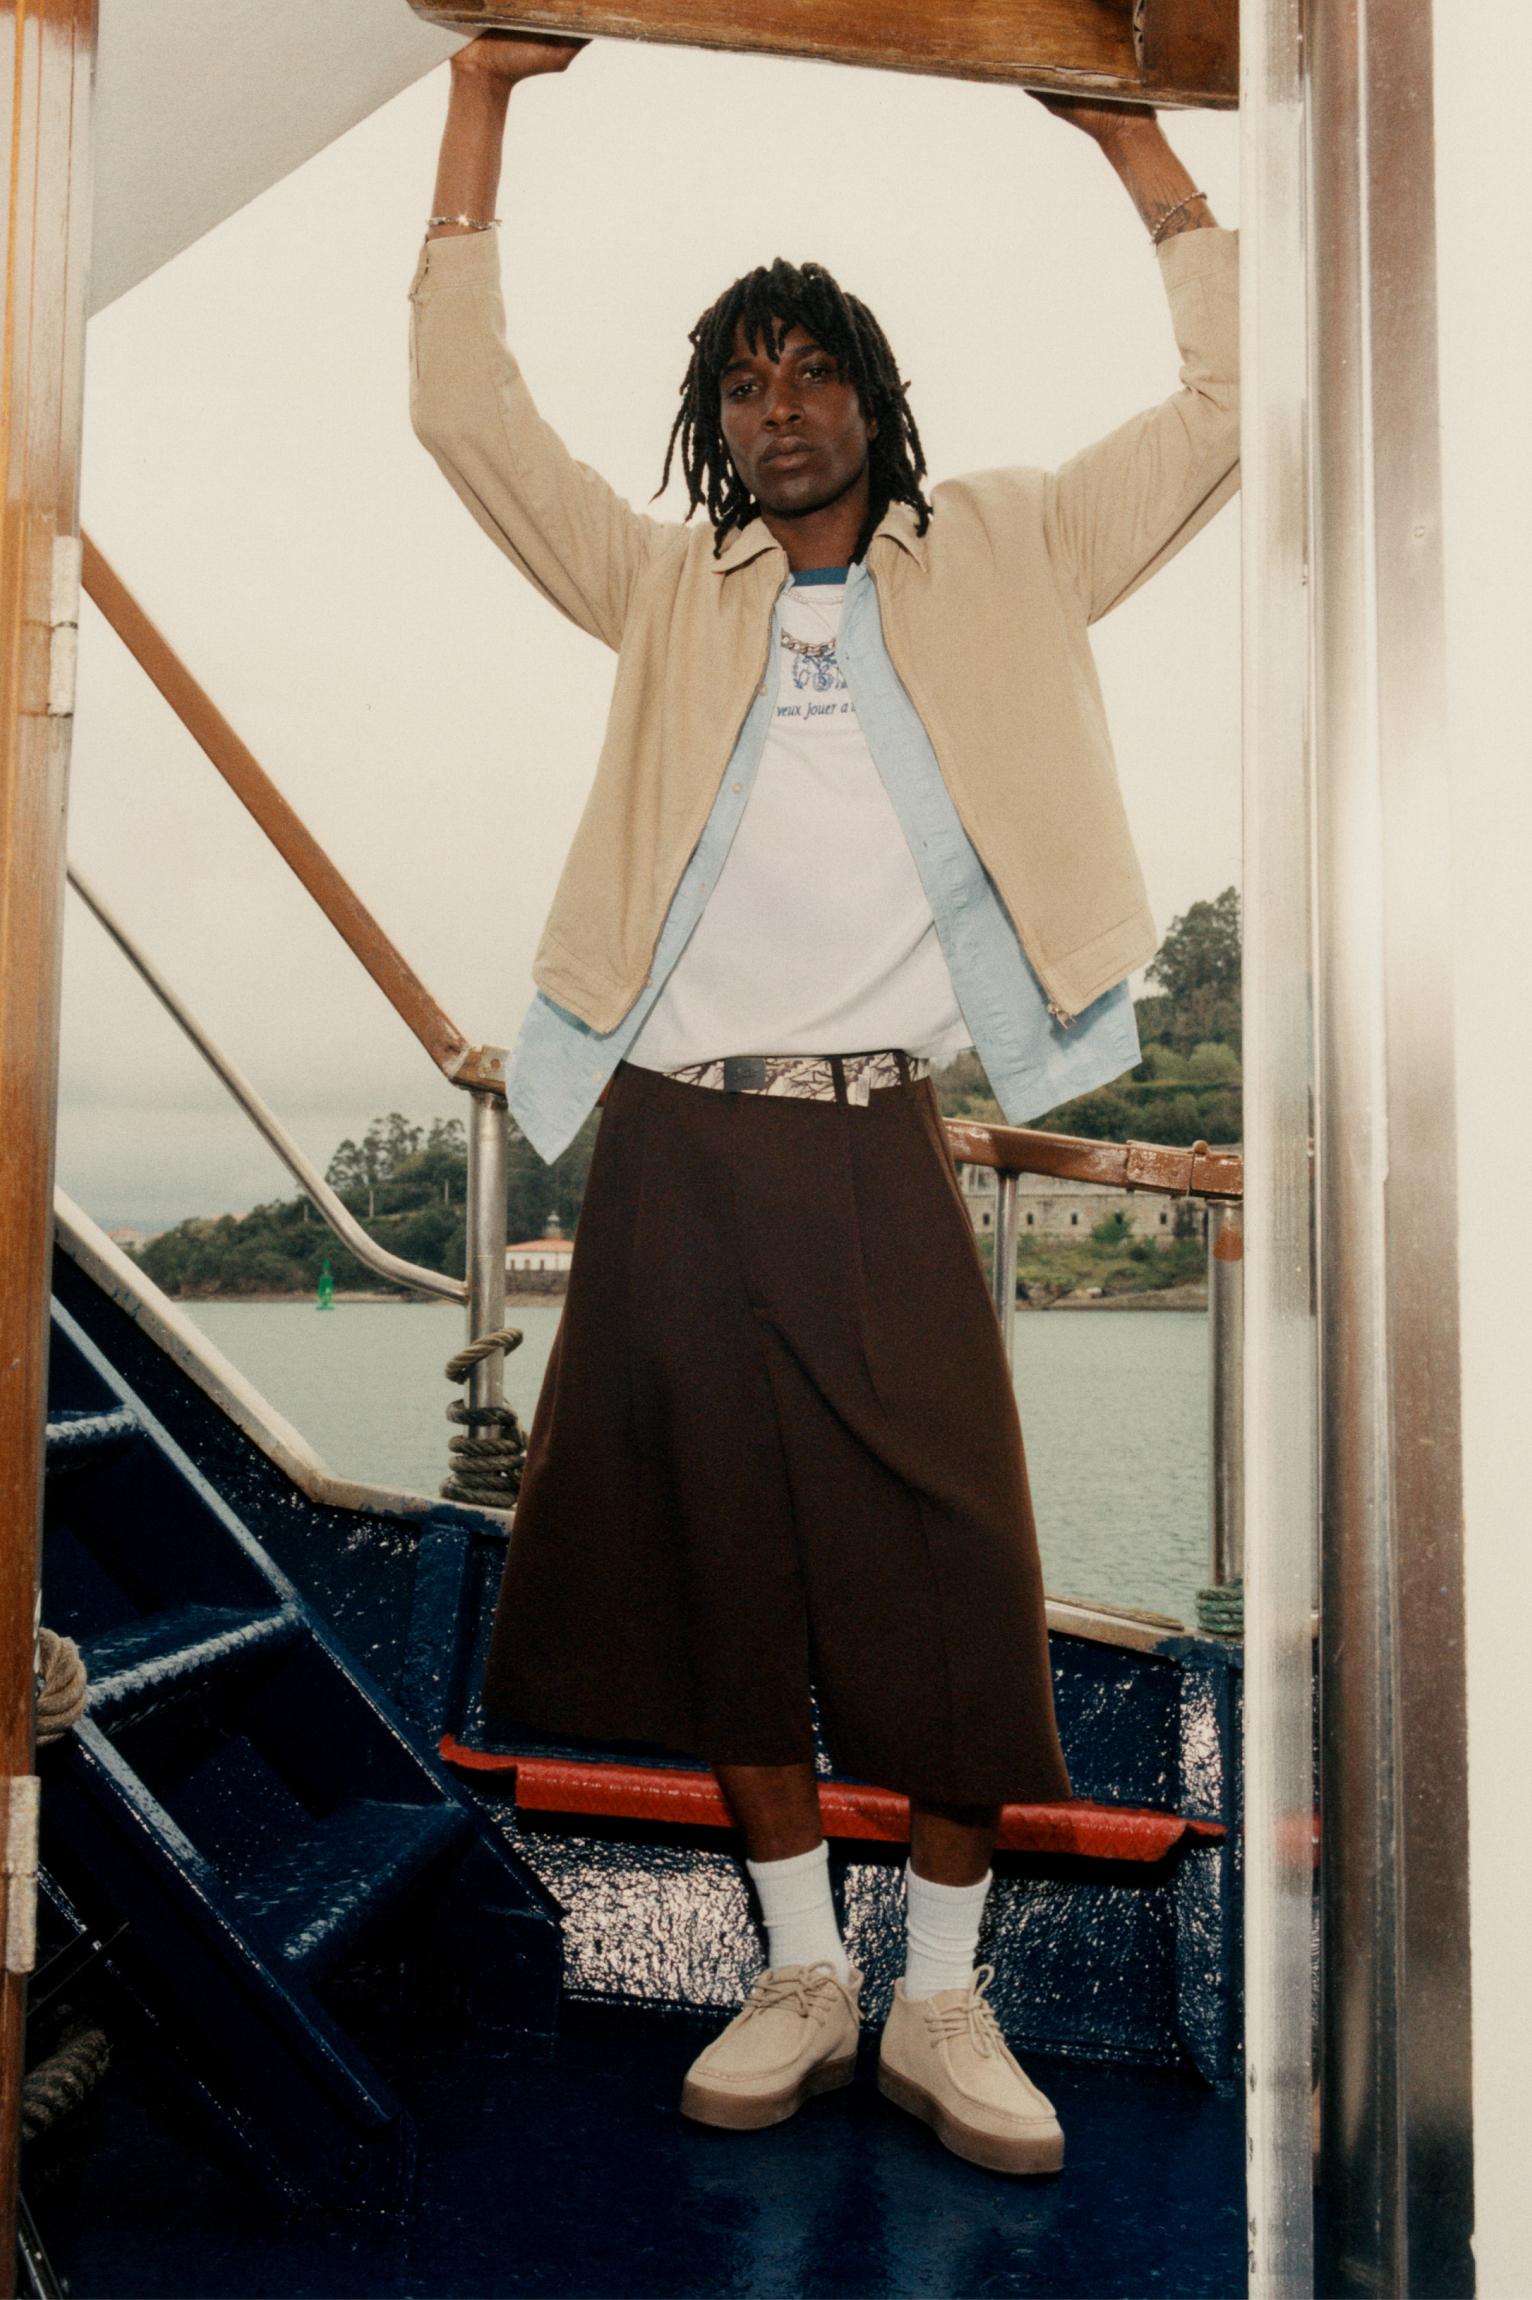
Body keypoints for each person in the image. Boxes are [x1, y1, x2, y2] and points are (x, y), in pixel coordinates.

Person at [410, 28, 1237, 2177]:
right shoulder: (658, 591)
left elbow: (1236, 410)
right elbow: (464, 415)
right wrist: (487, 94)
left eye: (813, 372)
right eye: (743, 381)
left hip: (879, 1139)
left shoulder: (1015, 547)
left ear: (874, 398)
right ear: (716, 423)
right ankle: (800, 1969)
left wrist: (1133, 144)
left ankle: (941, 1996)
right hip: (676, 1139)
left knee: (953, 1560)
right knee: (720, 1573)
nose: (779, 407)